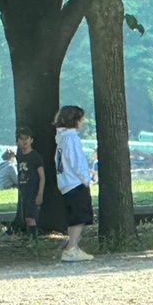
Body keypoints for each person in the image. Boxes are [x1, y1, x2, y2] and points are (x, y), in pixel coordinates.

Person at [55, 105, 94, 262]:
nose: (82, 122)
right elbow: (77, 161)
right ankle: (71, 247)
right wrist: (86, 179)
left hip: (65, 183)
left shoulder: (61, 138)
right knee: (79, 217)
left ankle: (72, 247)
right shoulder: (71, 139)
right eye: (80, 119)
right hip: (75, 182)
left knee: (73, 217)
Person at [15, 128, 45, 240]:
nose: (24, 141)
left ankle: (34, 241)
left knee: (31, 217)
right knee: (26, 217)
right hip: (24, 190)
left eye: (27, 138)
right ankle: (30, 238)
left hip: (33, 189)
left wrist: (40, 193)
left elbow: (42, 176)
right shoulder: (20, 156)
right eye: (21, 138)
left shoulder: (35, 157)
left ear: (31, 140)